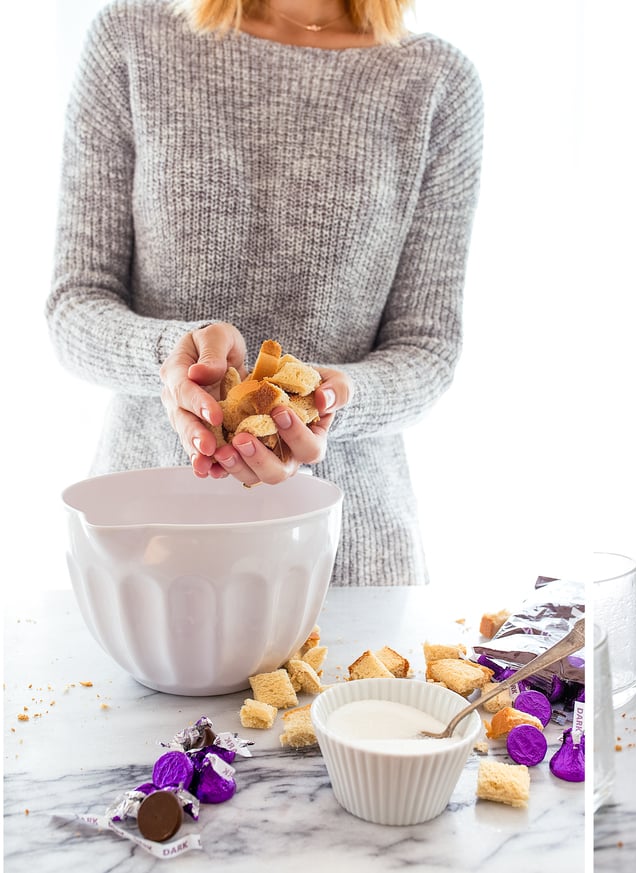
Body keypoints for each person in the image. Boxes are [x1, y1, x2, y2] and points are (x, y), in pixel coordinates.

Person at [46, 0, 484, 586]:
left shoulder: (436, 81)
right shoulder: (133, 38)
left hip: (347, 555)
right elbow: (76, 304)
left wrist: (333, 401)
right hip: (145, 549)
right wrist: (174, 357)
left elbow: (427, 349)